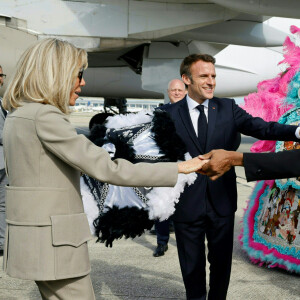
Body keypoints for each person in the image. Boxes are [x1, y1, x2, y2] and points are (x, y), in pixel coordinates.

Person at [1, 38, 206, 300]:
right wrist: (179, 168)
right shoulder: (46, 117)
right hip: (55, 244)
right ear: (57, 74)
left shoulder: (18, 115)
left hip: (32, 238)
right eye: (79, 74)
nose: (82, 82)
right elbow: (109, 170)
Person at [160, 53, 300, 300]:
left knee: (221, 265)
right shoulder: (168, 114)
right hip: (186, 203)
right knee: (191, 267)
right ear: (186, 79)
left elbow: (263, 128)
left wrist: (297, 131)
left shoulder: (227, 108)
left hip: (221, 201)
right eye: (204, 76)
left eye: (213, 76)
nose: (211, 81)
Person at [152, 79, 186, 258]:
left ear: (186, 91)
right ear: (168, 92)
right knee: (162, 204)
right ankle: (161, 242)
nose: (177, 92)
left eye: (180, 90)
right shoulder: (160, 112)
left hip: (187, 164)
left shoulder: (193, 112)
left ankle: (185, 242)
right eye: (173, 90)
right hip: (166, 164)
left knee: (185, 206)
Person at [0, 65, 7, 257]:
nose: (2, 80)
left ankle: (1, 242)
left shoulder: (1, 101)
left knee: (3, 203)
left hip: (3, 162)